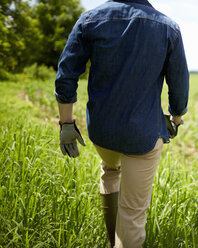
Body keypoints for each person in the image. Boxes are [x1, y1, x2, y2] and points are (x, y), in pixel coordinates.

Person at [54, 0, 189, 247]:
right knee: (133, 213)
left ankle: (110, 240)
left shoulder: (89, 20)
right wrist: (175, 119)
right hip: (142, 135)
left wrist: (66, 124)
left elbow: (66, 75)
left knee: (110, 170)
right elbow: (178, 86)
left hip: (101, 131)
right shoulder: (169, 28)